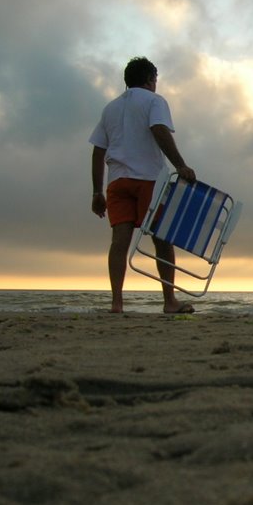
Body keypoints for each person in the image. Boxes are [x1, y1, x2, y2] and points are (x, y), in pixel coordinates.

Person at [89, 57, 197, 314]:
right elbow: (159, 130)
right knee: (162, 239)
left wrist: (96, 191)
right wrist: (180, 165)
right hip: (148, 178)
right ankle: (169, 301)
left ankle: (117, 303)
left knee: (119, 242)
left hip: (117, 182)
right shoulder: (154, 101)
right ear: (150, 80)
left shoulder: (110, 108)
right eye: (155, 80)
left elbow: (97, 151)